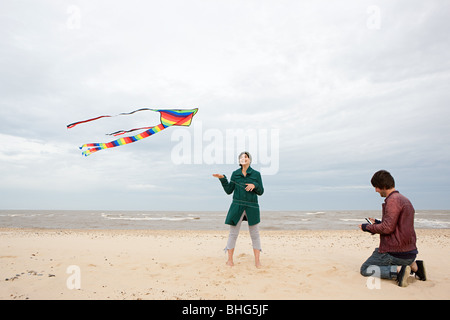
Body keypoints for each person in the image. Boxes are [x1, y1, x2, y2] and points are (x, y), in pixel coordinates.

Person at [359, 170, 427, 287]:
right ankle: (416, 267)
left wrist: (368, 227)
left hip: (396, 253)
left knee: (365, 269)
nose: (376, 190)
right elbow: (396, 226)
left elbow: (387, 228)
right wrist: (378, 223)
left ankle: (399, 271)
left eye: (376, 187)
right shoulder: (405, 200)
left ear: (384, 186)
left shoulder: (393, 201)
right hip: (409, 252)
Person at [213, 151, 264, 268]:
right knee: (233, 234)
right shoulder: (235, 173)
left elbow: (261, 191)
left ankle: (257, 261)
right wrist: (222, 179)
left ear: (250, 160)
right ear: (239, 161)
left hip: (252, 207)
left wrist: (254, 185)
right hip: (237, 206)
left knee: (255, 234)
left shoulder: (256, 174)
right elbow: (229, 190)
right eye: (241, 157)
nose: (244, 158)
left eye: (246, 157)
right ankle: (229, 260)